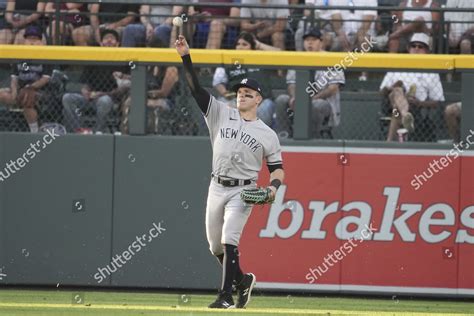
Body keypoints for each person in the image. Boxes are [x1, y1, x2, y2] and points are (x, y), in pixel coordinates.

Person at [175, 34, 285, 309]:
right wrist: (185, 57)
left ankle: (225, 297)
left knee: (229, 239)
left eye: (248, 93)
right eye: (239, 92)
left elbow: (278, 169)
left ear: (258, 99)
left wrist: (273, 188)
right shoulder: (220, 113)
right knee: (215, 247)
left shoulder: (267, 134)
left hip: (244, 190)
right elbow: (195, 89)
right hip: (217, 186)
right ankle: (243, 280)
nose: (242, 95)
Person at [276, 28, 345, 138]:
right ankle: (284, 135)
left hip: (324, 103)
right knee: (282, 100)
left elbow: (333, 88)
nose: (310, 42)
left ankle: (312, 137)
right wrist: (294, 97)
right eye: (307, 40)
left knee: (315, 105)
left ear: (321, 42)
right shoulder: (298, 58)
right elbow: (291, 84)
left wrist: (310, 100)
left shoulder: (333, 59)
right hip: (299, 101)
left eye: (313, 39)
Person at [380, 33, 445, 142]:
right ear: (408, 48)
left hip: (416, 109)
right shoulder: (397, 64)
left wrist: (419, 103)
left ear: (427, 51)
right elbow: (382, 92)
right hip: (390, 107)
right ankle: (406, 116)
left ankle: (389, 141)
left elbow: (438, 101)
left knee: (397, 109)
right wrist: (391, 87)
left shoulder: (432, 72)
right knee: (397, 91)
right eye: (413, 46)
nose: (416, 49)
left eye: (421, 47)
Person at [62, 29, 129, 133]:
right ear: (101, 44)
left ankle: (98, 131)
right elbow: (86, 83)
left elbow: (123, 89)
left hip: (110, 100)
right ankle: (79, 130)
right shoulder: (94, 59)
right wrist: (85, 91)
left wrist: (102, 94)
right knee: (67, 98)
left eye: (112, 38)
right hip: (91, 98)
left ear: (118, 44)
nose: (109, 40)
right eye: (106, 38)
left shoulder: (124, 61)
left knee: (104, 101)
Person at [212, 32, 279, 127]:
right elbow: (217, 82)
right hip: (236, 101)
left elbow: (280, 53)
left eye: (244, 44)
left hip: (260, 102)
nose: (240, 47)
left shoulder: (261, 58)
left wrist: (258, 44)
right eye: (238, 44)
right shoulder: (229, 60)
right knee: (221, 104)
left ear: (252, 47)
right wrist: (226, 94)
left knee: (267, 106)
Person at [0, 25, 51, 132]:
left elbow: (45, 79)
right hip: (20, 90)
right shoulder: (19, 56)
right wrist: (14, 91)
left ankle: (34, 132)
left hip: (39, 92)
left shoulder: (46, 56)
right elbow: (14, 78)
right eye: (29, 39)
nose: (32, 42)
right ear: (24, 40)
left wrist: (30, 87)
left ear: (40, 41)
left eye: (35, 39)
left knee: (27, 97)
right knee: (2, 93)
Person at [72, 2, 139, 46]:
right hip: (100, 26)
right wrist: (96, 30)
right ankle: (86, 64)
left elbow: (130, 17)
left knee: (110, 37)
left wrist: (115, 25)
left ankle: (117, 66)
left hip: (121, 27)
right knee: (77, 33)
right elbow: (93, 13)